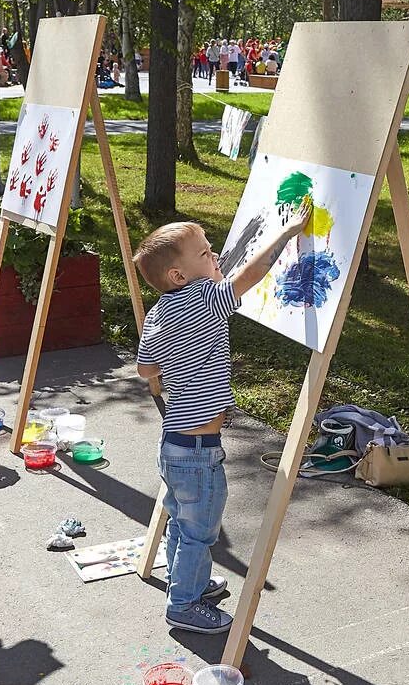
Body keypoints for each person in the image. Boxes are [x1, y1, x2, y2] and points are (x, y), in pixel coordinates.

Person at [131, 200, 311, 634]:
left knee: (181, 519)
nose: (216, 258)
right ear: (179, 276)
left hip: (174, 444)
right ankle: (184, 605)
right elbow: (246, 276)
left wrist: (170, 371)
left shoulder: (160, 311)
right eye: (206, 254)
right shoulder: (205, 299)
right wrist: (288, 234)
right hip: (197, 453)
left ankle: (184, 580)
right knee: (199, 531)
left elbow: (144, 369)